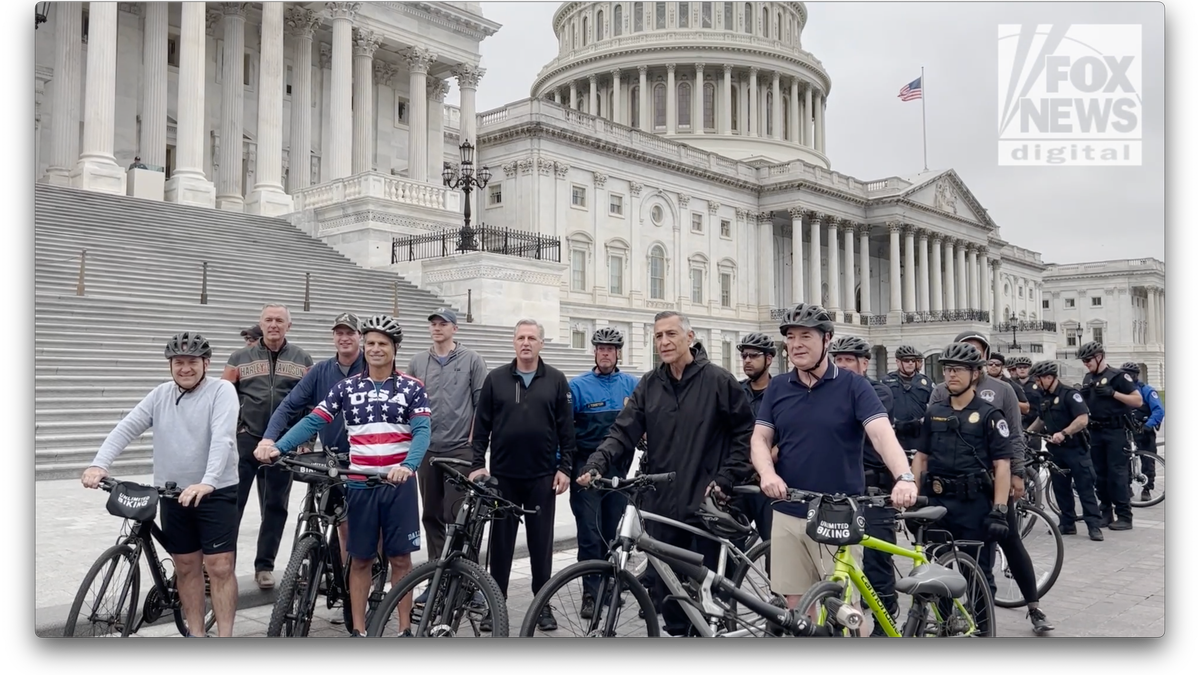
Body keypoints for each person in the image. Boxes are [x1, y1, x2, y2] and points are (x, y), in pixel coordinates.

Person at [579, 311, 755, 636]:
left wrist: (728, 477)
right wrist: (597, 463)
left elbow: (745, 433)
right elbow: (623, 431)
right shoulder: (650, 383)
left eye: (671, 334)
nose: (664, 342)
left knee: (708, 598)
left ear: (690, 337)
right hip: (662, 508)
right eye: (658, 336)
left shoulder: (718, 380)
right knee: (668, 596)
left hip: (705, 505)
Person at [255, 314, 429, 638]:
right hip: (360, 484)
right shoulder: (346, 388)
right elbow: (313, 421)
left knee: (401, 560)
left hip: (398, 484)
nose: (376, 349)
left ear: (395, 348)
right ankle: (359, 630)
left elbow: (421, 432)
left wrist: (408, 465)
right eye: (372, 343)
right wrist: (278, 446)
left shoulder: (412, 388)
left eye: (383, 344)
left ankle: (405, 629)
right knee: (360, 559)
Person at [749, 304, 917, 618]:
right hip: (787, 510)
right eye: (790, 337)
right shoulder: (779, 388)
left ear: (827, 340)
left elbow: (881, 435)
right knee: (797, 609)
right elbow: (760, 439)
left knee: (845, 610)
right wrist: (766, 473)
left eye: (805, 336)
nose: (796, 344)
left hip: (837, 512)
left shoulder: (854, 386)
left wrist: (904, 477)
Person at [82, 332, 240, 637]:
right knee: (185, 566)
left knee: (219, 566)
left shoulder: (222, 391)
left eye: (192, 361)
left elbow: (223, 438)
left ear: (205, 363)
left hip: (216, 491)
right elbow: (127, 426)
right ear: (170, 365)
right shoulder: (160, 394)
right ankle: (196, 633)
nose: (185, 368)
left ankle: (226, 635)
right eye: (178, 362)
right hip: (173, 493)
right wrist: (99, 464)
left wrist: (207, 482)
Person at [931, 331, 1051, 633]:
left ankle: (1033, 606)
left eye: (975, 350)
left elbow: (1013, 433)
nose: (968, 355)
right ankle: (950, 617)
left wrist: (1017, 473)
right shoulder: (940, 391)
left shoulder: (1002, 389)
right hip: (953, 485)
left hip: (992, 481)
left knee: (1009, 539)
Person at [469, 318, 576, 633]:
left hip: (542, 478)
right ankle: (495, 606)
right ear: (513, 342)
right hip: (503, 479)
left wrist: (565, 468)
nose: (526, 343)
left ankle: (542, 606)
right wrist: (478, 464)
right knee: (500, 548)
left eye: (532, 338)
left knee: (541, 546)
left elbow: (566, 431)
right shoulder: (496, 379)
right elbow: (481, 427)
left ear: (541, 343)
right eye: (520, 338)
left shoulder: (556, 381)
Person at [910, 342, 1012, 638]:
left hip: (973, 504)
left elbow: (1002, 465)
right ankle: (945, 624)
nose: (950, 375)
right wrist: (914, 499)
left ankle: (982, 628)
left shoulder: (990, 415)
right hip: (939, 501)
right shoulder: (935, 412)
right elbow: (921, 458)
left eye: (957, 370)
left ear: (975, 374)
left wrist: (1000, 510)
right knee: (936, 571)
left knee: (977, 573)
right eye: (947, 369)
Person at [260, 312, 366, 593]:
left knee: (358, 532)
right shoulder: (320, 371)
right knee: (338, 522)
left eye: (350, 333)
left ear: (360, 337)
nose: (344, 338)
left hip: (365, 459)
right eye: (339, 333)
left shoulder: (373, 365)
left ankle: (360, 590)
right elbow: (289, 406)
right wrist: (269, 440)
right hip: (332, 458)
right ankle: (342, 586)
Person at [223, 303, 314, 590]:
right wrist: (231, 433)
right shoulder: (239, 357)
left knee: (275, 506)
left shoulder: (302, 358)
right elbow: (223, 399)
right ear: (260, 324)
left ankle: (265, 566)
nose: (273, 325)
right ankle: (224, 566)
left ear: (289, 325)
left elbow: (311, 402)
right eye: (268, 320)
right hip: (246, 441)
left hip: (283, 444)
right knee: (230, 506)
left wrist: (306, 440)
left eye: (279, 320)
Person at [406, 308, 488, 612]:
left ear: (455, 328)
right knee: (431, 516)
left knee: (461, 518)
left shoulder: (472, 360)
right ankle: (436, 580)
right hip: (428, 451)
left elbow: (482, 404)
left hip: (459, 452)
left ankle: (472, 584)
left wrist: (474, 444)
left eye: (443, 324)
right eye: (433, 324)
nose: (437, 328)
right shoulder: (417, 361)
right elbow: (409, 403)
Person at [567, 327, 640, 619]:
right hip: (586, 470)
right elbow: (566, 431)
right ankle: (590, 593)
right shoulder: (578, 386)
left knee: (612, 533)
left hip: (619, 471)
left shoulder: (631, 385)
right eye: (601, 348)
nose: (606, 353)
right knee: (589, 533)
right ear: (594, 352)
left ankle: (610, 587)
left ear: (618, 352)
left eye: (610, 348)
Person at [828, 334, 897, 637]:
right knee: (839, 566)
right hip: (841, 492)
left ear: (864, 364)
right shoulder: (829, 391)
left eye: (848, 361)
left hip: (874, 493)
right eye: (838, 360)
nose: (842, 366)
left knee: (878, 566)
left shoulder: (877, 391)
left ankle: (886, 625)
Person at [1025, 360, 1104, 541]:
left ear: (1049, 377)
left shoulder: (1070, 394)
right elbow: (1042, 420)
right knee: (1061, 488)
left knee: (1085, 488)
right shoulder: (1044, 397)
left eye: (1039, 379)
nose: (1037, 383)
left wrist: (1064, 432)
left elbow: (1082, 419)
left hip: (1075, 449)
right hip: (1055, 451)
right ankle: (1068, 523)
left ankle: (1094, 526)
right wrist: (1028, 433)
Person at [1077, 342, 1143, 530]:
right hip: (1095, 431)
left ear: (1099, 357)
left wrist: (1114, 393)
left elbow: (1137, 400)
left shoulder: (1118, 376)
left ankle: (1124, 515)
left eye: (1088, 360)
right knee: (1099, 475)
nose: (1085, 363)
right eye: (1083, 360)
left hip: (1115, 431)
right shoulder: (1088, 377)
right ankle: (1106, 512)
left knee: (1117, 474)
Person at [734, 332, 779, 549]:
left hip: (769, 485)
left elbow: (790, 437)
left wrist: (764, 461)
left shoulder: (782, 392)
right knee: (731, 549)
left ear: (769, 359)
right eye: (744, 356)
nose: (747, 361)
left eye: (753, 356)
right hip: (738, 484)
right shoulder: (735, 391)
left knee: (775, 551)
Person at [1120, 362, 1164, 501]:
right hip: (1126, 429)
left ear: (1135, 375)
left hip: (1144, 430)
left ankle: (1147, 489)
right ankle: (1127, 487)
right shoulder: (1122, 391)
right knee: (1123, 458)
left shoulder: (1147, 390)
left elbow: (1159, 410)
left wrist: (1149, 425)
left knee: (1148, 459)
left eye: (1129, 374)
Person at [883, 345, 932, 453]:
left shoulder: (926, 382)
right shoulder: (886, 381)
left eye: (913, 360)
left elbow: (935, 405)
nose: (910, 363)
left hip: (918, 432)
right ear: (898, 362)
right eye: (906, 360)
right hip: (896, 433)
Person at [1007, 355, 1044, 455]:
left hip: (1034, 424)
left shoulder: (1038, 384)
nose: (1022, 370)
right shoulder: (1010, 384)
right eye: (1019, 367)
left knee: (1034, 455)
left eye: (1025, 367)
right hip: (1017, 424)